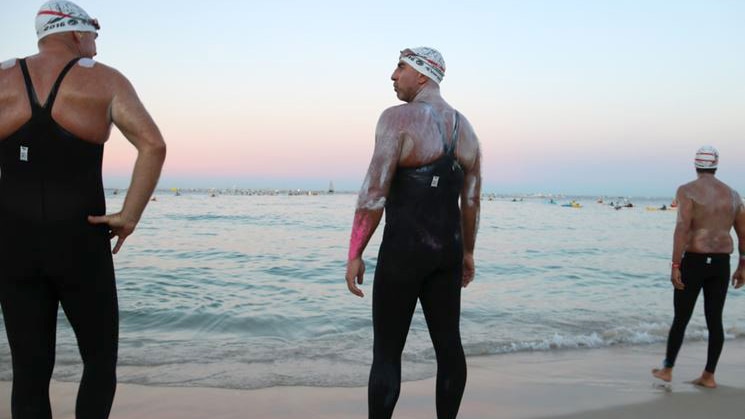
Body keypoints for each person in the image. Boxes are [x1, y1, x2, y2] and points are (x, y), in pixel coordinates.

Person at [0, 1, 166, 417]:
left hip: (13, 243)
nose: (96, 42)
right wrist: (129, 216)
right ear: (74, 32)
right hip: (79, 241)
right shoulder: (106, 82)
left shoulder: (1, 78)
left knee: (29, 370)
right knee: (98, 360)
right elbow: (153, 145)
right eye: (93, 32)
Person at [345, 47, 481, 418]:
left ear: (422, 75)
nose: (393, 75)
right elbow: (471, 201)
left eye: (400, 68)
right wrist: (468, 253)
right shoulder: (466, 129)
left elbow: (374, 193)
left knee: (387, 353)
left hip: (403, 254)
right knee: (450, 347)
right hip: (447, 255)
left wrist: (355, 251)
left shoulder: (397, 120)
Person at [652, 146, 745, 388]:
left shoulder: (687, 191)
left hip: (694, 261)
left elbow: (682, 227)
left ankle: (667, 370)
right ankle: (709, 375)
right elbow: (743, 234)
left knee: (681, 318)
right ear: (716, 165)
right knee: (715, 320)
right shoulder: (733, 195)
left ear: (696, 165)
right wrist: (742, 265)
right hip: (721, 264)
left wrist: (675, 264)